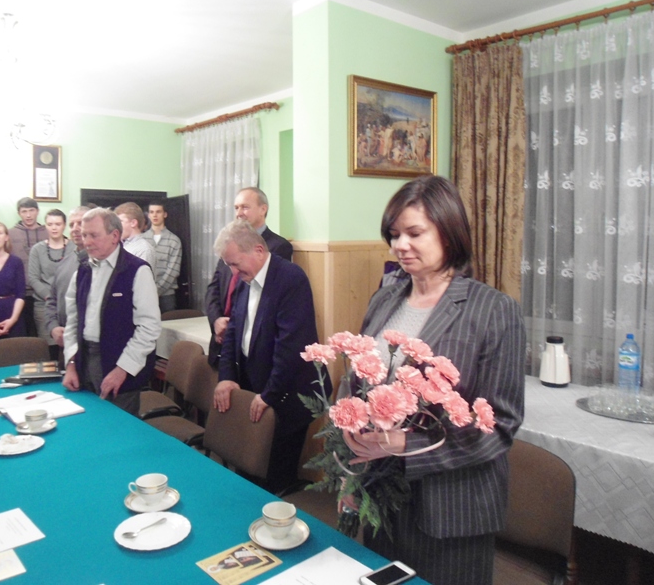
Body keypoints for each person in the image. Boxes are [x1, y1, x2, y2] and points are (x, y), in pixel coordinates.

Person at [341, 176, 525, 585]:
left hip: (450, 510)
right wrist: (350, 469)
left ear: (448, 230)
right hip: (382, 497)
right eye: (394, 235)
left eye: (414, 233)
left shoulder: (493, 310)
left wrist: (407, 445)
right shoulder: (384, 298)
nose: (400, 245)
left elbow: (501, 424)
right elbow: (356, 382)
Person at [213, 219, 328, 494]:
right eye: (228, 265)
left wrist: (269, 395)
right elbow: (232, 333)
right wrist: (226, 376)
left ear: (258, 251)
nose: (233, 272)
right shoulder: (245, 279)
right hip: (256, 389)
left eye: (235, 264)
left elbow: (291, 348)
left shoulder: (290, 278)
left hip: (288, 395)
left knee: (273, 482)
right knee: (248, 475)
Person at [62, 208, 161, 415]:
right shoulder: (83, 270)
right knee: (89, 422)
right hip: (85, 360)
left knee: (117, 428)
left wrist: (123, 369)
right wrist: (71, 363)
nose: (87, 242)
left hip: (120, 364)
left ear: (115, 236)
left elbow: (149, 327)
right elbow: (73, 321)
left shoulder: (137, 270)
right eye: (84, 235)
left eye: (94, 235)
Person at [205, 187, 292, 367]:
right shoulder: (229, 243)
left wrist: (234, 324)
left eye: (245, 207)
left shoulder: (276, 247)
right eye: (236, 208)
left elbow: (263, 297)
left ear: (263, 209)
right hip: (222, 341)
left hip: (251, 343)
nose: (239, 213)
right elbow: (214, 288)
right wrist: (217, 320)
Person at [28, 209, 74, 359]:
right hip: (44, 305)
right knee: (49, 349)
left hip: (70, 305)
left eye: (58, 224)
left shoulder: (74, 248)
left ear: (64, 225)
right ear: (45, 226)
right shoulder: (37, 249)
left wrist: (63, 297)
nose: (54, 228)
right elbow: (33, 278)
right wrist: (50, 297)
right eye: (50, 224)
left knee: (71, 347)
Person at [44, 207, 88, 359]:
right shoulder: (65, 262)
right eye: (71, 224)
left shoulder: (102, 262)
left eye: (80, 223)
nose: (75, 228)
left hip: (92, 345)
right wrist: (53, 327)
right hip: (65, 343)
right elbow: (52, 300)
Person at [8, 197, 47, 337]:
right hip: (19, 293)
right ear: (19, 213)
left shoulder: (48, 232)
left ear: (37, 211)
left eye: (31, 210)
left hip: (44, 293)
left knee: (43, 334)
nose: (28, 215)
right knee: (22, 334)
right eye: (24, 211)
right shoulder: (9, 234)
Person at [142, 202, 182, 314]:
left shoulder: (174, 240)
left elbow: (173, 271)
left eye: (158, 212)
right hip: (144, 294)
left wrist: (156, 290)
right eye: (152, 212)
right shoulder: (142, 239)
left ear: (165, 214)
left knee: (169, 324)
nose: (155, 215)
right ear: (148, 215)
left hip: (167, 296)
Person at [114, 202, 157, 269]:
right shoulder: (122, 245)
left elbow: (143, 275)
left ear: (133, 223)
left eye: (120, 221)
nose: (116, 226)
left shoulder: (144, 250)